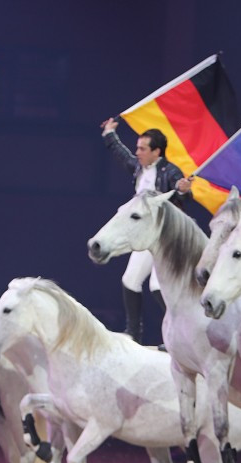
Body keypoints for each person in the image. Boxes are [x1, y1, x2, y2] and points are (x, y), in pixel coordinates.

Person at [100, 117, 193, 345]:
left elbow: (181, 203)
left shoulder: (171, 172)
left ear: (156, 151)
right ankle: (133, 333)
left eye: (142, 149)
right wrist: (109, 134)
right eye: (138, 148)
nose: (137, 152)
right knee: (130, 280)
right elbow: (122, 154)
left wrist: (182, 191)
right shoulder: (139, 168)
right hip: (144, 237)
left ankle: (179, 333)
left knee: (157, 286)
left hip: (164, 239)